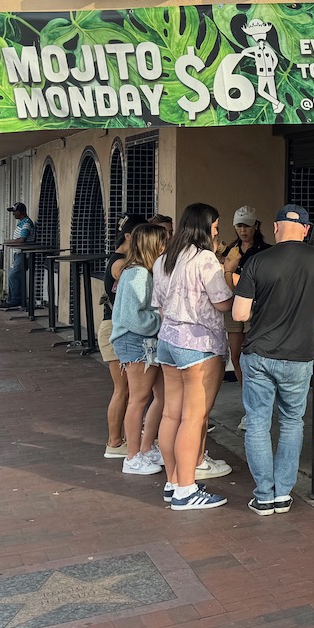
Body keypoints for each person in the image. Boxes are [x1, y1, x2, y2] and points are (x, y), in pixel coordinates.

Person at [234, 204, 314, 515]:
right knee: (292, 422)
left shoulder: (257, 260)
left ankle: (264, 495)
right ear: (306, 230)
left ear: (277, 227)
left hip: (259, 354)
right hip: (299, 354)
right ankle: (283, 494)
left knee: (258, 423)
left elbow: (240, 313)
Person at [153, 203, 235, 511]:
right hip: (199, 343)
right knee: (194, 417)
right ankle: (187, 491)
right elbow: (223, 303)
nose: (217, 232)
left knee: (171, 414)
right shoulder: (205, 260)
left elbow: (158, 305)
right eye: (215, 227)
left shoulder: (164, 259)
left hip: (168, 341)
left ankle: (173, 483)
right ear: (204, 227)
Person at [116, 224, 169, 477]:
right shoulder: (137, 274)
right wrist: (162, 319)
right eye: (163, 242)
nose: (166, 246)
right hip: (137, 342)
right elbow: (132, 318)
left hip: (146, 342)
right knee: (138, 399)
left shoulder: (141, 273)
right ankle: (133, 456)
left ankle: (146, 449)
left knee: (161, 396)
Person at [96, 212, 149, 460]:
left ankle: (122, 440)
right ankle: (115, 441)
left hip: (117, 328)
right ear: (129, 236)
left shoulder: (124, 261)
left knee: (128, 391)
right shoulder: (121, 264)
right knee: (123, 390)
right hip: (114, 329)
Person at [220, 206, 268, 387]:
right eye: (239, 226)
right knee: (235, 354)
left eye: (247, 226)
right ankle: (244, 392)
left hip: (254, 307)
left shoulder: (265, 251)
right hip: (233, 305)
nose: (243, 230)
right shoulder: (231, 251)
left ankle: (255, 392)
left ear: (256, 225)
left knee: (252, 353)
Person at [3, 201, 35, 309]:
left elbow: (22, 240)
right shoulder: (21, 223)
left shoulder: (26, 223)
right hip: (17, 254)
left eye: (14, 212)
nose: (13, 214)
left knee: (14, 276)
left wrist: (8, 242)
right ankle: (14, 299)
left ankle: (15, 300)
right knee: (14, 276)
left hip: (23, 254)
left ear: (20, 212)